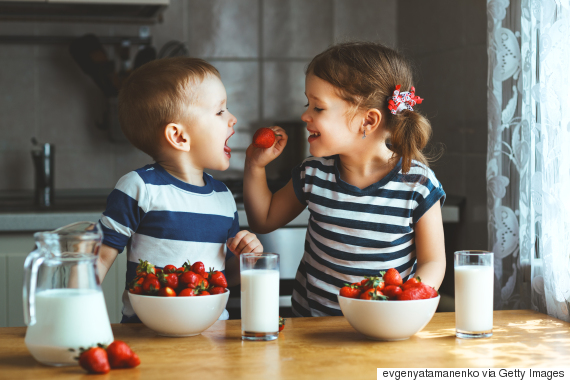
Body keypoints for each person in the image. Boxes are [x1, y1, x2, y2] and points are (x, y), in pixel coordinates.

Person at [243, 41, 446, 317]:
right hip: (312, 331)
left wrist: (406, 304)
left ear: (368, 121)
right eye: (308, 104)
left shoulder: (418, 185)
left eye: (318, 107)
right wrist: (255, 166)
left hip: (381, 326)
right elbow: (263, 220)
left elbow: (434, 262)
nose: (305, 115)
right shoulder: (313, 173)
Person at [97, 57, 263, 323]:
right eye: (220, 111)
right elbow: (99, 259)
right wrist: (74, 314)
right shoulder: (140, 188)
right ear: (179, 137)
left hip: (213, 337)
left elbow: (225, 276)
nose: (233, 119)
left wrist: (247, 260)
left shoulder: (223, 198)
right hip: (148, 338)